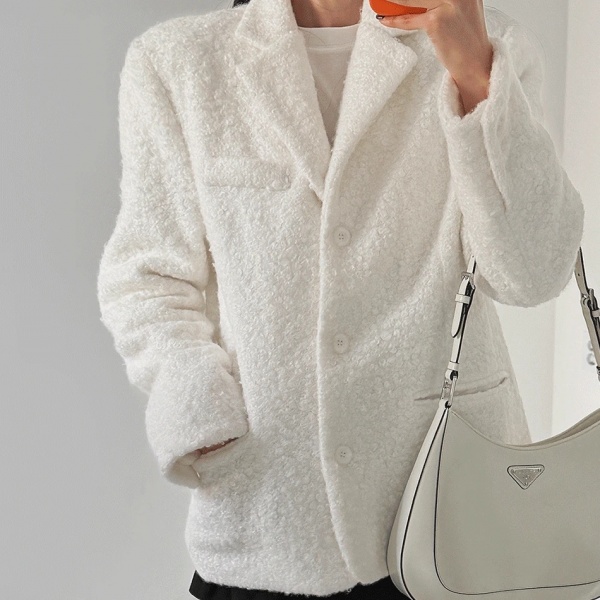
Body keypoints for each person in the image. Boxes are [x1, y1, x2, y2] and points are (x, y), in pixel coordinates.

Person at [96, 0, 585, 598]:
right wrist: (198, 401)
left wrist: (477, 76)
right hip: (269, 511)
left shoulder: (492, 44)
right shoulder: (180, 61)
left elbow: (532, 275)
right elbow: (148, 275)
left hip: (451, 512)